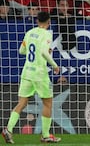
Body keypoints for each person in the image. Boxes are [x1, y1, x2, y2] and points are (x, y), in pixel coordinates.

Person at [2, 11, 61, 144]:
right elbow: (44, 52)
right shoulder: (47, 34)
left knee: (22, 103)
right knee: (48, 103)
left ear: (36, 21)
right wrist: (55, 66)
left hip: (27, 73)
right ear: (49, 22)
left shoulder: (29, 32)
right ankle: (45, 135)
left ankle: (8, 129)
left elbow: (21, 51)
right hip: (39, 74)